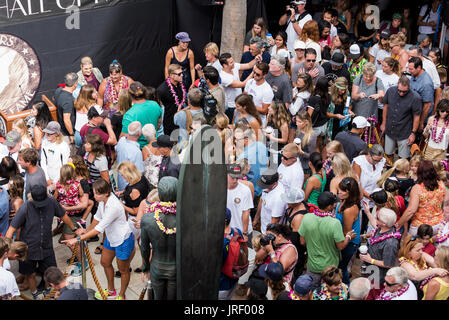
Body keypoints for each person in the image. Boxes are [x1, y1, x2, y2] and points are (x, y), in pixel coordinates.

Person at [6, 184, 81, 299]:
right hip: (28, 248)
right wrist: (6, 248)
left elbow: (64, 216)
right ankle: (35, 293)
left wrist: (74, 229)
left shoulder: (51, 201)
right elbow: (12, 229)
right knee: (30, 274)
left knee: (50, 271)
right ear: (32, 199)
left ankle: (47, 290)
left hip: (46, 245)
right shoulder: (25, 207)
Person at [63, 179, 135, 300]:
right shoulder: (103, 201)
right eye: (94, 193)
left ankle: (122, 295)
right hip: (111, 237)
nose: (94, 196)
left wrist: (78, 239)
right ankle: (111, 291)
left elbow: (98, 230)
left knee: (123, 270)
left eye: (97, 194)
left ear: (106, 193)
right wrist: (86, 231)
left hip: (123, 239)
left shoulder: (113, 206)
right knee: (105, 262)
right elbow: (96, 219)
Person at [298, 191, 355, 290]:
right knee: (330, 292)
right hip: (330, 269)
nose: (334, 206)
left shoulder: (307, 217)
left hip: (313, 266)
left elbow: (302, 242)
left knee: (312, 292)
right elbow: (340, 246)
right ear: (329, 207)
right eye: (333, 204)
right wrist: (348, 237)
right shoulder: (334, 223)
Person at [140, 176, 178, 300]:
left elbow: (144, 248)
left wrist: (145, 267)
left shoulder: (147, 219)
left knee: (158, 297)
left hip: (157, 266)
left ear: (160, 194)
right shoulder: (184, 218)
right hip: (175, 267)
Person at [397, 160, 449, 236]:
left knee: (411, 245)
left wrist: (398, 224)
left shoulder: (417, 188)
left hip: (420, 227)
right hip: (438, 225)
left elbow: (411, 211)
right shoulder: (441, 185)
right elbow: (446, 205)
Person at [53, 164, 87, 275]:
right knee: (69, 238)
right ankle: (77, 257)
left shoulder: (58, 186)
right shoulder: (77, 185)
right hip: (75, 213)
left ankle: (83, 262)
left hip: (68, 215)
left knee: (69, 240)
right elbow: (81, 194)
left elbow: (54, 198)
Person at [380, 75, 422, 162]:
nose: (401, 93)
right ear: (397, 85)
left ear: (409, 87)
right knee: (388, 154)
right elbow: (385, 107)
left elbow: (416, 117)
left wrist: (413, 133)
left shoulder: (415, 97)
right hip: (390, 128)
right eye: (399, 91)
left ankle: (401, 174)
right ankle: (389, 172)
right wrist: (383, 123)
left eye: (404, 91)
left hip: (405, 131)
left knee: (403, 158)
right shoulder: (391, 91)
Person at [352, 144, 386, 232]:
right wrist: (370, 197)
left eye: (379, 160)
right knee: (359, 222)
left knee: (367, 220)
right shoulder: (358, 163)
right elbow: (357, 184)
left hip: (373, 199)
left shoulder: (381, 162)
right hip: (360, 197)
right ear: (369, 155)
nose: (377, 163)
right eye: (375, 160)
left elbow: (380, 180)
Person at [336, 177, 361, 285]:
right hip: (344, 238)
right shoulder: (345, 201)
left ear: (350, 193)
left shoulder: (349, 210)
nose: (339, 192)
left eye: (342, 191)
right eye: (339, 190)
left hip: (349, 243)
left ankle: (346, 288)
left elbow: (347, 232)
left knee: (341, 268)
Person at [122, 82, 162, 149]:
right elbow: (159, 124)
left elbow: (124, 136)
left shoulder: (129, 114)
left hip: (139, 148)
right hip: (154, 145)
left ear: (130, 95)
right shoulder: (155, 104)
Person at [218, 53, 258, 121]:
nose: (233, 63)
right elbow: (242, 84)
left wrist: (256, 59)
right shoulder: (223, 77)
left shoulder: (234, 66)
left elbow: (248, 65)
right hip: (231, 106)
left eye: (233, 61)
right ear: (224, 65)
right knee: (232, 123)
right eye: (231, 62)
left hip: (239, 103)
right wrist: (253, 72)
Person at [234, 122, 268, 199]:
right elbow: (267, 164)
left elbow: (235, 178)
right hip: (263, 189)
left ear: (246, 139)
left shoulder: (242, 158)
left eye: (237, 139)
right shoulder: (262, 145)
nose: (235, 142)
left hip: (249, 193)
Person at [226, 164, 254, 246]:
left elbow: (246, 212)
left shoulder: (245, 190)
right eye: (232, 177)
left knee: (244, 255)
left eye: (237, 177)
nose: (235, 180)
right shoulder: (220, 189)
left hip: (242, 231)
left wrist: (244, 233)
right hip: (228, 231)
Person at [254, 170, 287, 235]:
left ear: (274, 184)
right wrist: (256, 219)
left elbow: (275, 221)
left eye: (265, 185)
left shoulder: (278, 198)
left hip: (271, 232)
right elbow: (262, 200)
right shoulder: (267, 184)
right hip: (263, 226)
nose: (262, 186)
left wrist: (267, 236)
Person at [408, 56, 435, 132]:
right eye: (408, 68)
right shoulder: (414, 75)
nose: (409, 71)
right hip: (411, 115)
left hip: (419, 118)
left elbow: (427, 105)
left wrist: (421, 122)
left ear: (419, 68)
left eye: (411, 69)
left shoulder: (426, 83)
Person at [116, 121, 144, 192]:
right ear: (140, 133)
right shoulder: (136, 152)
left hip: (120, 182)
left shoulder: (121, 141)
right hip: (130, 186)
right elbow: (139, 173)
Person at [40, 121, 71, 187]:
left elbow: (64, 165)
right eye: (46, 132)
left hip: (60, 178)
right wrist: (47, 179)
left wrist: (56, 181)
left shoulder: (63, 146)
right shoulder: (44, 142)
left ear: (56, 134)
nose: (47, 135)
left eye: (50, 133)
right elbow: (43, 161)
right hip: (48, 178)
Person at [244, 62, 274, 126]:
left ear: (264, 75)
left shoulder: (267, 90)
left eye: (257, 74)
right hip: (246, 118)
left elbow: (264, 111)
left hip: (258, 121)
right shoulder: (250, 82)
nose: (254, 75)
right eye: (254, 72)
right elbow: (244, 95)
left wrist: (250, 106)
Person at [54, 72, 77, 145]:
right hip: (66, 133)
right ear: (75, 84)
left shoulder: (58, 90)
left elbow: (54, 98)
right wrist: (71, 134)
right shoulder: (68, 100)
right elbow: (66, 119)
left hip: (61, 128)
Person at [307, 77, 330, 151]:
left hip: (315, 127)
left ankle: (314, 161)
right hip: (323, 125)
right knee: (318, 145)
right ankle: (320, 161)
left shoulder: (314, 99)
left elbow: (309, 115)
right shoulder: (328, 97)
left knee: (312, 148)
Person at [375, 57, 401, 122]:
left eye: (385, 66)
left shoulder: (396, 79)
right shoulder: (378, 73)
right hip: (374, 104)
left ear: (391, 68)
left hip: (385, 106)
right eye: (382, 65)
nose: (383, 68)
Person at [295, 110, 316, 176]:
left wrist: (301, 152)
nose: (297, 123)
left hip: (305, 168)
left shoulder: (311, 136)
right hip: (296, 163)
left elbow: (312, 156)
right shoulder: (299, 130)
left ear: (306, 122)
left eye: (299, 122)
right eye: (296, 121)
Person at [141, 124, 163, 189]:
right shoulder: (163, 145)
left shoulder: (145, 149)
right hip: (162, 173)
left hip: (152, 178)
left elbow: (145, 166)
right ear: (155, 133)